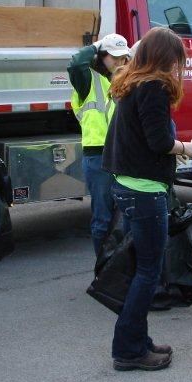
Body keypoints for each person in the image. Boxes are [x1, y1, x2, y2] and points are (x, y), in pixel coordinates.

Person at [102, 27, 192, 371]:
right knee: (147, 272)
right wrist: (186, 147)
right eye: (176, 60)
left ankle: (138, 341)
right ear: (164, 58)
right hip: (143, 192)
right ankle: (128, 350)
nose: (178, 67)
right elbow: (159, 141)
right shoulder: (154, 87)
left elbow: (146, 137)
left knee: (142, 270)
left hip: (128, 185)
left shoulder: (132, 83)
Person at [68, 33, 131, 254]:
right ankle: (103, 272)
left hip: (121, 154)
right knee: (103, 218)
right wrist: (96, 45)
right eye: (114, 57)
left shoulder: (122, 81)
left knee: (123, 216)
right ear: (102, 56)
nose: (120, 62)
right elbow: (76, 63)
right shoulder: (88, 80)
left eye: (124, 57)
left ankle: (117, 268)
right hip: (98, 157)